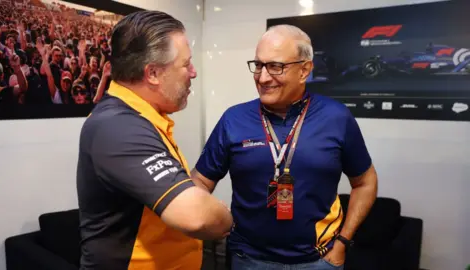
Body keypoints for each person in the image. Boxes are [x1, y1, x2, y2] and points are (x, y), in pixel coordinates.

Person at [191, 24, 378, 269]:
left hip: (319, 260)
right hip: (248, 259)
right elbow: (200, 181)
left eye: (275, 66)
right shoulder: (233, 119)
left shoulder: (336, 117)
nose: (263, 77)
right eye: (258, 65)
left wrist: (343, 242)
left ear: (304, 70)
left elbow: (365, 182)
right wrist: (208, 217)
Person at [76, 10, 233, 270]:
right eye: (186, 64)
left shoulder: (144, 118)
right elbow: (195, 215)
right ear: (153, 74)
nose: (193, 73)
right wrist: (230, 220)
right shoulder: (118, 126)